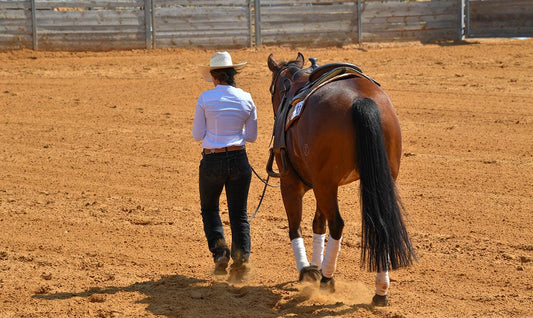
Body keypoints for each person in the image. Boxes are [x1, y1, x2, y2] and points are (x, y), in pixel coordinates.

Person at [192, 51, 258, 279]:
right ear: (233, 74)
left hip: (212, 159)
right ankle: (241, 262)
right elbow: (251, 136)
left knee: (209, 209)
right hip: (239, 158)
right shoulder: (246, 97)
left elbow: (197, 134)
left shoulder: (205, 98)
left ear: (214, 76)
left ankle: (220, 253)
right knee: (239, 214)